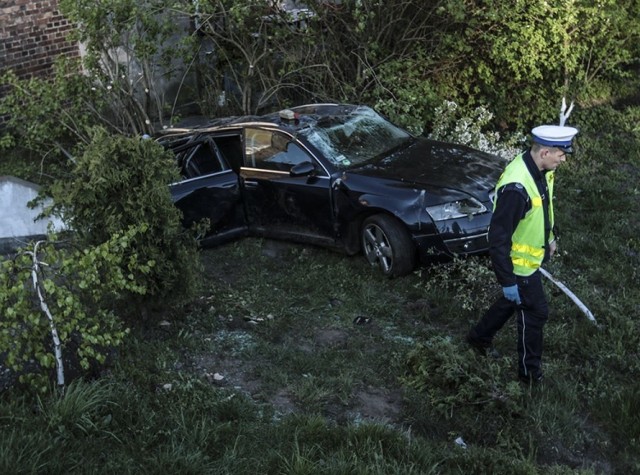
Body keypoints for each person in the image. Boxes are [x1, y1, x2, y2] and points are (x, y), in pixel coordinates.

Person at [467, 124, 579, 383]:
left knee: (512, 302)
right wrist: (507, 280)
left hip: (529, 260)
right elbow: (497, 239)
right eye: (561, 154)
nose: (564, 159)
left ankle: (478, 337)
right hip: (519, 267)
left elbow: (543, 206)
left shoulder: (540, 169)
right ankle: (529, 376)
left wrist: (548, 237)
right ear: (544, 153)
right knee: (535, 312)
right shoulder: (517, 189)